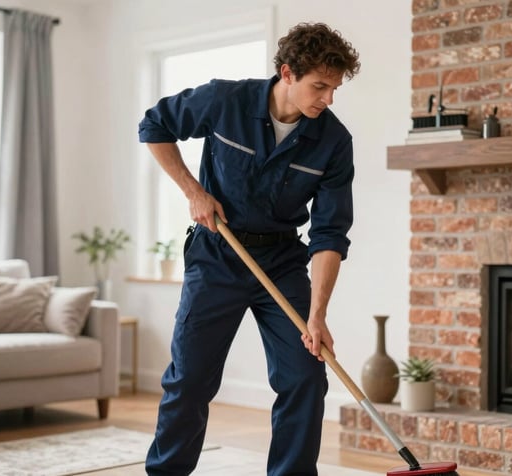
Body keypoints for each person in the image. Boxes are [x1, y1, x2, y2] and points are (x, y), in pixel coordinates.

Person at [138, 22, 361, 475]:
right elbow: (154, 125)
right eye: (320, 86)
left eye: (335, 88)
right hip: (219, 253)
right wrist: (193, 191)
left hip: (281, 261)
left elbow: (329, 235)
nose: (328, 99)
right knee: (191, 377)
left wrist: (317, 315)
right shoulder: (226, 101)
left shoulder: (334, 142)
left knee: (305, 376)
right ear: (287, 73)